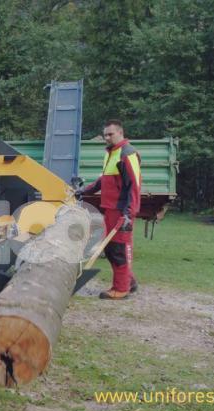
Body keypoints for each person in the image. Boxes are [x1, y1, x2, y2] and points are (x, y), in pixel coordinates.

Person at [78, 119, 141, 300]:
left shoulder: (127, 153)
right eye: (105, 135)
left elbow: (134, 186)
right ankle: (129, 281)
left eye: (110, 134)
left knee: (118, 249)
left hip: (121, 211)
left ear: (120, 133)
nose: (107, 137)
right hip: (110, 209)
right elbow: (103, 180)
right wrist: (84, 191)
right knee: (111, 248)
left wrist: (128, 214)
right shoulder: (111, 153)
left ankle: (121, 289)